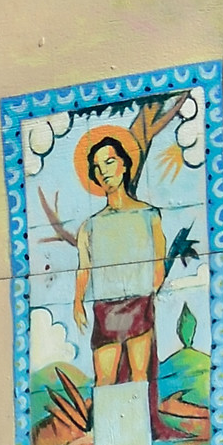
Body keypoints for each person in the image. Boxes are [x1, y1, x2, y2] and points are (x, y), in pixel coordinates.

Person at [73, 131, 169, 385]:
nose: (104, 171)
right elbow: (85, 267)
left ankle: (138, 425)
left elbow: (159, 262)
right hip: (106, 309)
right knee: (104, 379)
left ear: (124, 164)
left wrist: (148, 292)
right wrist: (77, 301)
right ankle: (104, 425)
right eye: (97, 166)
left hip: (139, 303)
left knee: (139, 376)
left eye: (109, 161)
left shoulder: (149, 215)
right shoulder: (90, 226)